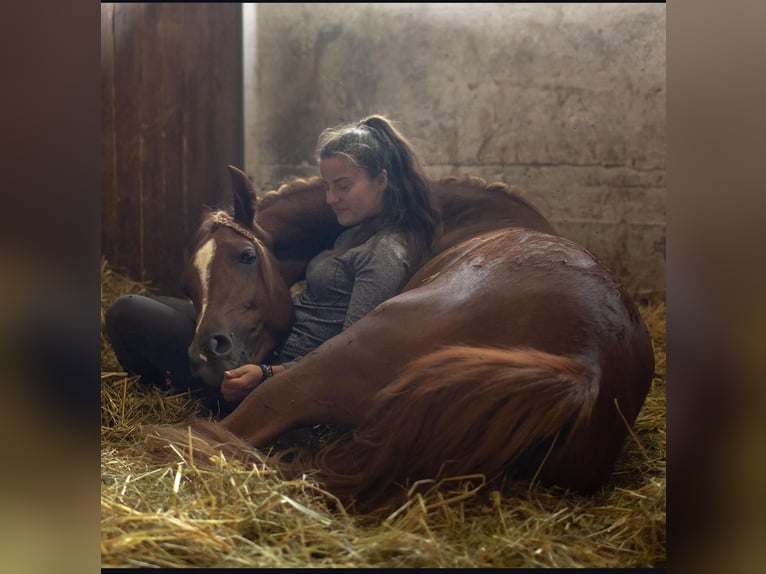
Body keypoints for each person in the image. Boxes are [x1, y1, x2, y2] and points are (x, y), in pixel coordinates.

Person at [105, 115, 440, 406]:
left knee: (127, 312)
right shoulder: (350, 234)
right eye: (326, 186)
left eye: (343, 186)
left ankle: (188, 397)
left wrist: (266, 375)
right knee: (150, 307)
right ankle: (176, 388)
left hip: (273, 375)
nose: (331, 199)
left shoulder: (384, 253)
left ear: (381, 180)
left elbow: (350, 354)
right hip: (270, 344)